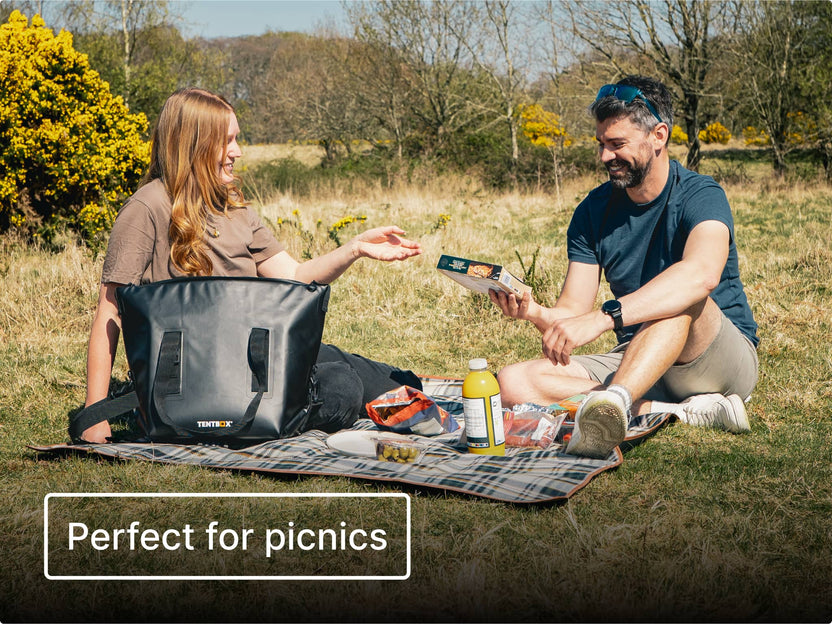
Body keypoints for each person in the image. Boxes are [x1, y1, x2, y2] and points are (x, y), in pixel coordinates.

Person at [81, 87, 422, 443]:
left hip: (252, 358)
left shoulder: (235, 209)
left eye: (237, 139)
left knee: (395, 382)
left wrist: (354, 249)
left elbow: (295, 276)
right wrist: (95, 411)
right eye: (226, 141)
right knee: (342, 387)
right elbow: (109, 311)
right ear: (193, 145)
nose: (237, 152)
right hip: (194, 379)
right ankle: (255, 419)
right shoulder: (147, 207)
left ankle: (409, 409)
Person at [490, 75, 759, 459]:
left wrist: (606, 317)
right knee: (515, 382)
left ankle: (613, 404)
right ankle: (676, 412)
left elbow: (702, 275)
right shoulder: (592, 211)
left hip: (714, 358)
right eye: (601, 144)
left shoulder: (702, 195)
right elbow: (571, 314)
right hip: (641, 358)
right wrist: (531, 311)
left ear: (659, 136)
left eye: (617, 144)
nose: (604, 156)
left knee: (679, 297)